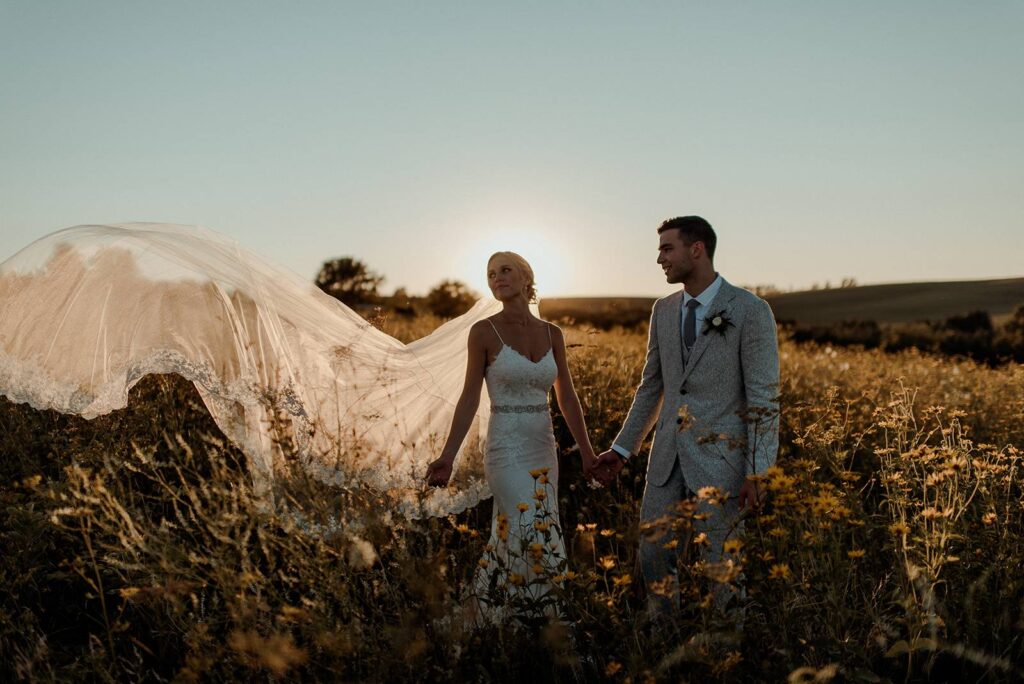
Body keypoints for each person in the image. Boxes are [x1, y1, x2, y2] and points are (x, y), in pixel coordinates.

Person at [591, 216, 780, 616]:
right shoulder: (663, 310)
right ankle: (663, 638)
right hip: (665, 456)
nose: (659, 258)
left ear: (697, 249)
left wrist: (757, 471)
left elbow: (763, 396)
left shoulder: (749, 310)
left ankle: (727, 645)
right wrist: (623, 449)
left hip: (722, 464)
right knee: (653, 552)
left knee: (722, 561)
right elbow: (652, 386)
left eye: (666, 248)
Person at [426, 251, 599, 622]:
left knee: (540, 526)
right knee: (525, 525)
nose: (497, 278)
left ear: (526, 278)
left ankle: (511, 615)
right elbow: (470, 396)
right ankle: (530, 618)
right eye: (490, 274)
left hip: (543, 447)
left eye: (505, 270)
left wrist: (587, 453)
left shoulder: (552, 333)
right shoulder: (484, 332)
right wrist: (447, 456)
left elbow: (566, 397)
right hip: (505, 448)